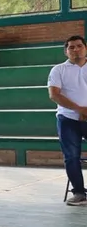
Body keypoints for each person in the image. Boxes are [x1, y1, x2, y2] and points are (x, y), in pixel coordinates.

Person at [49, 36, 87, 206]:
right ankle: (79, 193)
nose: (76, 49)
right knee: (71, 157)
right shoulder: (58, 70)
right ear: (66, 51)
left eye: (79, 46)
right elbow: (54, 94)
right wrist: (79, 109)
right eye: (71, 47)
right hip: (68, 118)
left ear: (85, 48)